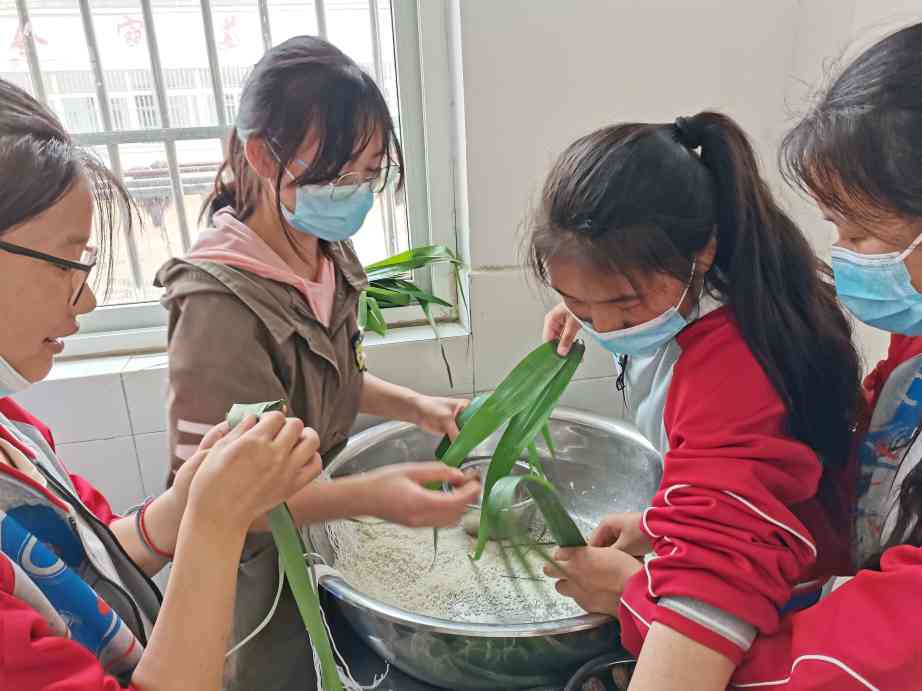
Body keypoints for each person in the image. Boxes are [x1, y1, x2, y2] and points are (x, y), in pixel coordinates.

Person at [154, 36, 479, 691]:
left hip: (313, 526)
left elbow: (333, 378)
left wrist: (418, 407)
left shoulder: (323, 249)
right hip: (253, 572)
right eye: (335, 173)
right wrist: (372, 498)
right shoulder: (219, 308)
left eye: (368, 173)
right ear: (259, 156)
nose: (353, 193)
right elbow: (217, 501)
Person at [0, 76, 324, 691]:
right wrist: (215, 522)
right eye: (67, 263)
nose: (86, 300)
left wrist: (184, 506)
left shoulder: (16, 432)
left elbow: (88, 560)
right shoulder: (214, 295)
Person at [533, 111, 862, 689]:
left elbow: (717, 586)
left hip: (791, 599)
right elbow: (725, 482)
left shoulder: (733, 370)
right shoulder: (717, 276)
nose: (604, 328)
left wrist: (630, 593)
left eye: (625, 309)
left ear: (700, 255)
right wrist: (659, 523)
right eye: (579, 305)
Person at [729, 21, 922, 689]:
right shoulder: (913, 345)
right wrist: (730, 529)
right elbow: (870, 465)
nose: (842, 257)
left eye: (862, 233)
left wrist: (692, 628)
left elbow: (887, 646)